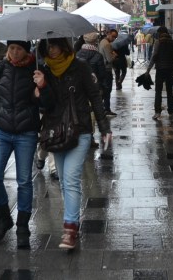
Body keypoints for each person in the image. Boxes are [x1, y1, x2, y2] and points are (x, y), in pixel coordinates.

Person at [35, 37, 112, 250]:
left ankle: (70, 229)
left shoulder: (80, 67)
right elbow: (46, 106)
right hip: (56, 133)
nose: (52, 50)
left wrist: (105, 128)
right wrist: (41, 88)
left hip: (80, 132)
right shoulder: (44, 71)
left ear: (63, 45)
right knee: (62, 181)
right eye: (47, 47)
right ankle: (72, 223)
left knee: (70, 179)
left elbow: (95, 97)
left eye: (54, 45)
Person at [0, 40, 39, 249]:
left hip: (26, 132)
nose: (14, 52)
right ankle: (3, 218)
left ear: (26, 51)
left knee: (24, 181)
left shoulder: (36, 68)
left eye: (18, 49)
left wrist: (42, 87)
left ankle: (22, 227)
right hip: (1, 131)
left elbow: (47, 102)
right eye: (11, 48)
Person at [77, 31, 114, 116]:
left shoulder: (78, 54)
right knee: (94, 111)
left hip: (81, 88)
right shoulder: (98, 55)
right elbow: (101, 75)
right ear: (95, 41)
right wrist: (103, 88)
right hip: (94, 88)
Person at [146, 26, 173, 120]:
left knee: (158, 91)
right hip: (169, 70)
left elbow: (154, 56)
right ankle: (171, 112)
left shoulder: (158, 42)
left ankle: (157, 112)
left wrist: (148, 69)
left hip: (160, 70)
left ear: (160, 33)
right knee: (169, 91)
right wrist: (171, 64)